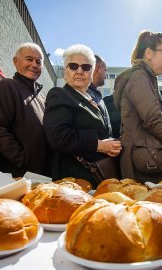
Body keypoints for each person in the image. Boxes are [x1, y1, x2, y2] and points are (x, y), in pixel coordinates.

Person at [113, 30, 162, 183]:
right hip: (145, 161)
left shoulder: (147, 77)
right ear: (148, 53)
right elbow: (154, 119)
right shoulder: (140, 77)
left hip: (147, 156)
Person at [44, 44, 121, 187]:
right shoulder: (59, 94)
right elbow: (57, 136)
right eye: (73, 66)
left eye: (86, 67)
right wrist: (99, 145)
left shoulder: (95, 99)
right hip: (74, 178)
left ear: (92, 72)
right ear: (65, 71)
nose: (79, 71)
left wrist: (111, 144)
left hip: (99, 175)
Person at [0, 42, 50, 177]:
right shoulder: (6, 87)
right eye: (29, 59)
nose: (34, 65)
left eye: (38, 62)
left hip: (42, 175)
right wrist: (24, 161)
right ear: (15, 61)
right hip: (18, 176)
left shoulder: (42, 97)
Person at [87, 55, 112, 136]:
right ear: (97, 68)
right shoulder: (83, 93)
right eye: (105, 70)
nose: (106, 75)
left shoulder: (97, 95)